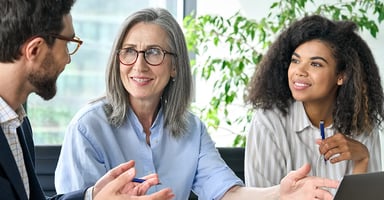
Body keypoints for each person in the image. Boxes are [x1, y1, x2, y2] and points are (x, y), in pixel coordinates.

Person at [55, 8, 339, 200]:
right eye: (129, 52)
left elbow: (227, 193)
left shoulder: (192, 129)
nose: (138, 65)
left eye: (153, 52)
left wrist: (279, 193)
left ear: (175, 66)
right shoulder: (88, 128)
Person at [0, 0, 175, 199]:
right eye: (67, 44)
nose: (68, 58)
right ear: (35, 50)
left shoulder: (17, 124)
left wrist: (92, 196)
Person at [244, 14, 384, 189]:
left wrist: (362, 160)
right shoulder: (269, 122)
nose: (299, 71)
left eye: (315, 64)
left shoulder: (362, 121)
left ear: (341, 76)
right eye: (295, 60)